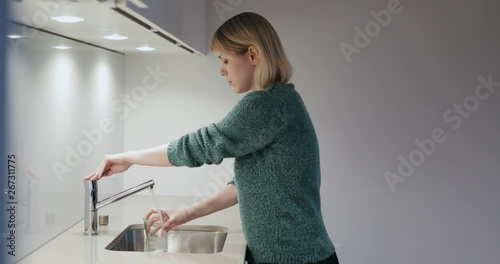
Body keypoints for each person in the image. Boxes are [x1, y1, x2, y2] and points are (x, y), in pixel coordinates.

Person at [84, 12, 338, 264]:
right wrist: (184, 214)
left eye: (225, 60)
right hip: (298, 255)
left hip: (295, 259)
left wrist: (128, 157)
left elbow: (199, 146)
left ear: (252, 55)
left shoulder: (266, 104)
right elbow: (244, 184)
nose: (221, 70)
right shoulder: (281, 99)